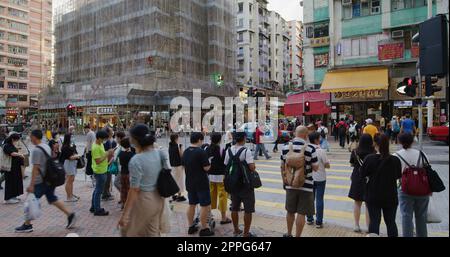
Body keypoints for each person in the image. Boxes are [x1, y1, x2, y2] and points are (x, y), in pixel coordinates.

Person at [15, 130, 76, 233]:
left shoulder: (36, 150)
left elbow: (35, 168)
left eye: (31, 137)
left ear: (35, 137)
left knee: (31, 201)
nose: (30, 138)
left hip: (41, 181)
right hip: (49, 178)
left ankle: (27, 224)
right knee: (52, 199)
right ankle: (70, 214)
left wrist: (31, 184)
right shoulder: (46, 146)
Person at [118, 125, 169, 237]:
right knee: (152, 232)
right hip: (159, 199)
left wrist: (125, 214)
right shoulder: (160, 153)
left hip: (143, 200)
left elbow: (134, 190)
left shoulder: (136, 160)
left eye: (130, 137)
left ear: (136, 140)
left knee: (127, 232)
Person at [360, 134, 402, 237]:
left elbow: (362, 174)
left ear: (375, 144)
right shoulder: (395, 160)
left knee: (374, 221)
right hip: (390, 196)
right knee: (391, 222)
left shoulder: (369, 159)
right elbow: (398, 176)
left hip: (373, 195)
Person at [281, 126, 319, 237]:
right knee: (301, 213)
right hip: (306, 185)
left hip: (290, 183)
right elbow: (316, 167)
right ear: (306, 135)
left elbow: (282, 166)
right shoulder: (311, 148)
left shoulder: (285, 147)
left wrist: (285, 181)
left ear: (295, 133)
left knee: (290, 211)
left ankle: (288, 234)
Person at [395, 133, 430, 237]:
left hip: (404, 189)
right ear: (412, 141)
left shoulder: (396, 155)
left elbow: (394, 174)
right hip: (422, 189)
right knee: (421, 216)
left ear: (400, 142)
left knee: (406, 215)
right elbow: (428, 170)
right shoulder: (422, 154)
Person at [224, 132, 256, 237]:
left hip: (233, 183)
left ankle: (236, 229)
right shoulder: (246, 151)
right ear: (244, 138)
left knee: (234, 207)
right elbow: (251, 167)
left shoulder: (229, 150)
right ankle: (246, 233)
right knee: (248, 209)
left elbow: (226, 165)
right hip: (245, 184)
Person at [182, 132, 214, 237]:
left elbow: (184, 165)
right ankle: (204, 228)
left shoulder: (186, 151)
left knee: (192, 204)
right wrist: (210, 163)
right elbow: (206, 168)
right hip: (201, 183)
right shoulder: (201, 152)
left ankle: (191, 226)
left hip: (190, 182)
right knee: (204, 205)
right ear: (199, 140)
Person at [348, 134, 375, 233]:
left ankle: (356, 225)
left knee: (357, 202)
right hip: (370, 178)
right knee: (368, 204)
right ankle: (369, 227)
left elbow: (351, 163)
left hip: (357, 177)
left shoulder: (355, 152)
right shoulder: (374, 152)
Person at [306, 132, 330, 229]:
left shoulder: (306, 150)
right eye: (319, 138)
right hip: (320, 178)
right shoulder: (321, 151)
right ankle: (319, 222)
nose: (320, 139)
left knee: (310, 199)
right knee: (319, 199)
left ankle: (309, 219)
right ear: (316, 140)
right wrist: (328, 163)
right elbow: (327, 165)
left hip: (309, 177)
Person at [207, 133, 231, 225]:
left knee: (211, 195)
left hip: (210, 176)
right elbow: (226, 163)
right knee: (222, 196)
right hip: (221, 176)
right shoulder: (221, 150)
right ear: (220, 140)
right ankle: (223, 217)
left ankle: (209, 214)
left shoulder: (207, 149)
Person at [90, 130, 114, 216]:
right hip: (99, 171)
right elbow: (98, 161)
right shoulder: (95, 147)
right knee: (99, 190)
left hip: (102, 169)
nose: (104, 141)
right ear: (99, 138)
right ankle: (97, 209)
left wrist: (107, 154)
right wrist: (107, 153)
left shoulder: (100, 144)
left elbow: (102, 156)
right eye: (103, 139)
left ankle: (94, 207)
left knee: (97, 189)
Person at [2, 132, 24, 204]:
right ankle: (8, 198)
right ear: (12, 139)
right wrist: (19, 154)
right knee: (10, 182)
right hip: (10, 167)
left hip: (15, 167)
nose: (16, 141)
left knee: (15, 181)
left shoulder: (11, 145)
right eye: (16, 140)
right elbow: (11, 153)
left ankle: (13, 195)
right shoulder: (6, 145)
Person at [60, 134, 81, 202]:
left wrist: (76, 155)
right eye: (71, 137)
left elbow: (73, 154)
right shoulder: (65, 147)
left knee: (71, 180)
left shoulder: (70, 145)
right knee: (69, 180)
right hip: (68, 164)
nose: (72, 138)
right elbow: (70, 157)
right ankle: (69, 197)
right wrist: (77, 156)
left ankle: (71, 194)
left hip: (72, 164)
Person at [168, 134, 186, 202]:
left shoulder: (170, 145)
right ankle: (179, 195)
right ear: (176, 138)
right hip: (178, 165)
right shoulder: (179, 145)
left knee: (174, 180)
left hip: (172, 165)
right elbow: (182, 155)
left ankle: (173, 195)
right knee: (180, 180)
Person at [118, 137, 134, 210]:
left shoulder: (121, 153)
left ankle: (123, 204)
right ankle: (129, 205)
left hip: (122, 173)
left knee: (123, 189)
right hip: (129, 174)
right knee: (129, 190)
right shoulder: (131, 154)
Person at [102, 127, 117, 201]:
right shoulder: (107, 141)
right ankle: (105, 194)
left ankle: (107, 193)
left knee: (108, 178)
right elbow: (108, 153)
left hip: (107, 162)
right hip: (107, 162)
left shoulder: (107, 141)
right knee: (107, 179)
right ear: (108, 133)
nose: (113, 132)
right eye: (111, 131)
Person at [112, 131, 126, 196]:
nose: (115, 139)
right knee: (121, 183)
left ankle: (125, 195)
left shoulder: (124, 146)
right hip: (117, 167)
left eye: (116, 137)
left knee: (116, 183)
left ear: (120, 138)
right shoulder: (118, 145)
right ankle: (122, 196)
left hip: (121, 168)